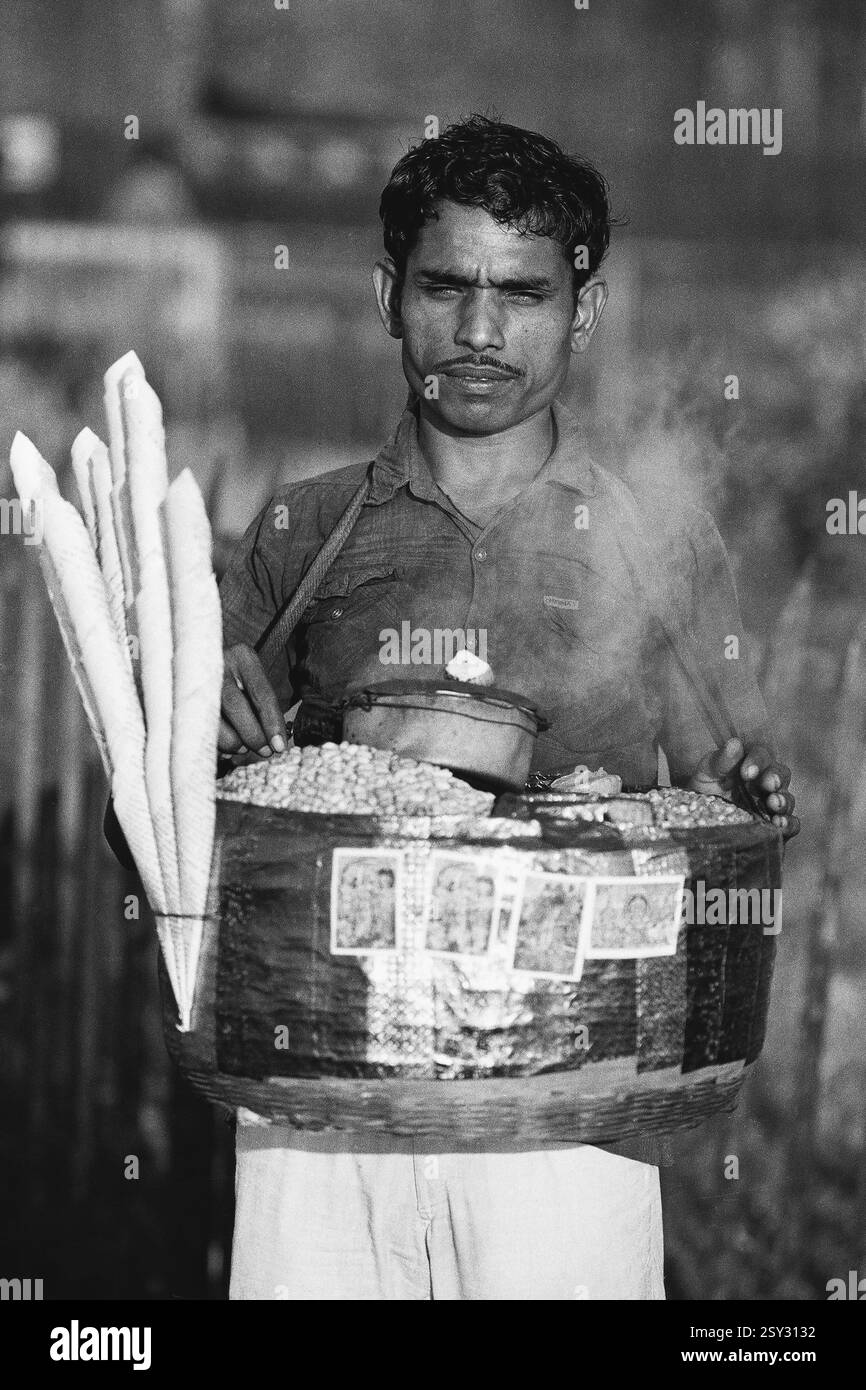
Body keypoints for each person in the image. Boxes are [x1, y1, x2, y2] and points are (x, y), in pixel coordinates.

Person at [216, 115, 798, 1301]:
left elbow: (729, 822)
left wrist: (739, 802)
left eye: (522, 294)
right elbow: (174, 846)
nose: (479, 331)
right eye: (445, 286)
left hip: (567, 1119)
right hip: (324, 1118)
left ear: (578, 311)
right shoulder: (302, 534)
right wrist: (185, 742)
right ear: (389, 296)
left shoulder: (657, 542)